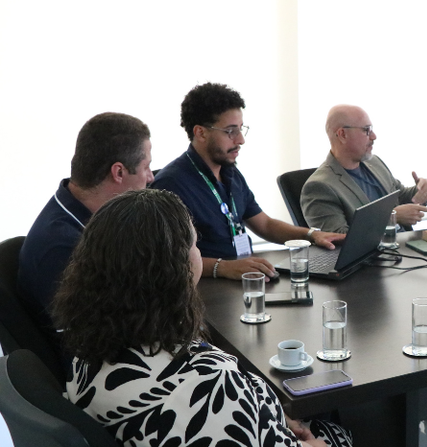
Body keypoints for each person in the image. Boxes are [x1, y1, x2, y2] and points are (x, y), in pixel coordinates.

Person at [52, 189, 352, 447]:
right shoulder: (210, 385)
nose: (198, 252)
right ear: (172, 269)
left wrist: (267, 415)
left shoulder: (87, 357)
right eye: (194, 244)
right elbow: (218, 407)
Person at [152, 82, 344, 280]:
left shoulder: (229, 171)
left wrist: (311, 235)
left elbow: (265, 225)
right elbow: (169, 259)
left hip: (243, 276)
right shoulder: (170, 185)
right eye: (230, 131)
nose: (240, 139)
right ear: (201, 132)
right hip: (206, 287)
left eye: (241, 129)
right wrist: (223, 267)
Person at [17, 112, 153, 342]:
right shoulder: (61, 247)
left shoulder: (98, 220)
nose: (150, 177)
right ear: (118, 172)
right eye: (146, 167)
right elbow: (99, 340)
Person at [300, 104, 427, 233]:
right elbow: (337, 238)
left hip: (403, 248)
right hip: (370, 258)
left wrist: (426, 188)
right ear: (343, 134)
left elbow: (401, 197)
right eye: (366, 130)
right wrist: (391, 217)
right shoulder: (318, 187)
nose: (374, 136)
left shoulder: (375, 162)